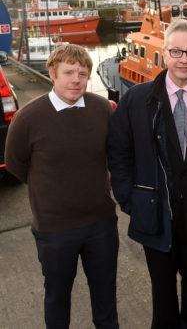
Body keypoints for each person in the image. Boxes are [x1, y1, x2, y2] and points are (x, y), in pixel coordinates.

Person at [107, 20, 187, 329]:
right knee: (162, 291)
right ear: (164, 53)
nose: (184, 59)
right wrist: (130, 201)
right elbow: (119, 154)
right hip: (154, 213)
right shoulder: (136, 100)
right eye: (176, 50)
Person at [5, 44, 119, 328]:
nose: (76, 79)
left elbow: (116, 155)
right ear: (52, 73)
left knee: (106, 300)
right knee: (57, 299)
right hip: (54, 229)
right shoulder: (29, 117)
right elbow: (15, 164)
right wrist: (50, 189)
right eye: (68, 72)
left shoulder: (102, 109)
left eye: (82, 73)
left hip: (101, 225)